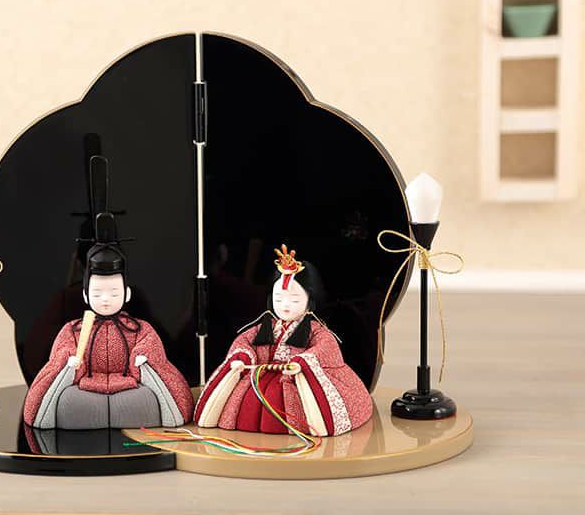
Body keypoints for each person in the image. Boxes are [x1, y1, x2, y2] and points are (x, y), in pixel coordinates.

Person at [23, 159, 193, 430]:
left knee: (143, 402)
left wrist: (142, 359)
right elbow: (52, 352)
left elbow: (153, 347)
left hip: (130, 386)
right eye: (98, 292)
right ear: (85, 294)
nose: (105, 298)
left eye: (113, 291)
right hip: (85, 386)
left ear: (127, 293)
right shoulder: (73, 327)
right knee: (69, 403)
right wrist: (70, 362)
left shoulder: (138, 327)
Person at [194, 245, 372, 436]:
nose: (285, 306)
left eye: (294, 300)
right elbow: (244, 341)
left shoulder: (316, 331)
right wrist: (242, 357)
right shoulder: (265, 327)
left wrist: (302, 362)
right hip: (260, 377)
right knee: (248, 401)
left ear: (310, 300)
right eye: (279, 299)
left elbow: (326, 347)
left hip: (295, 378)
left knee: (287, 400)